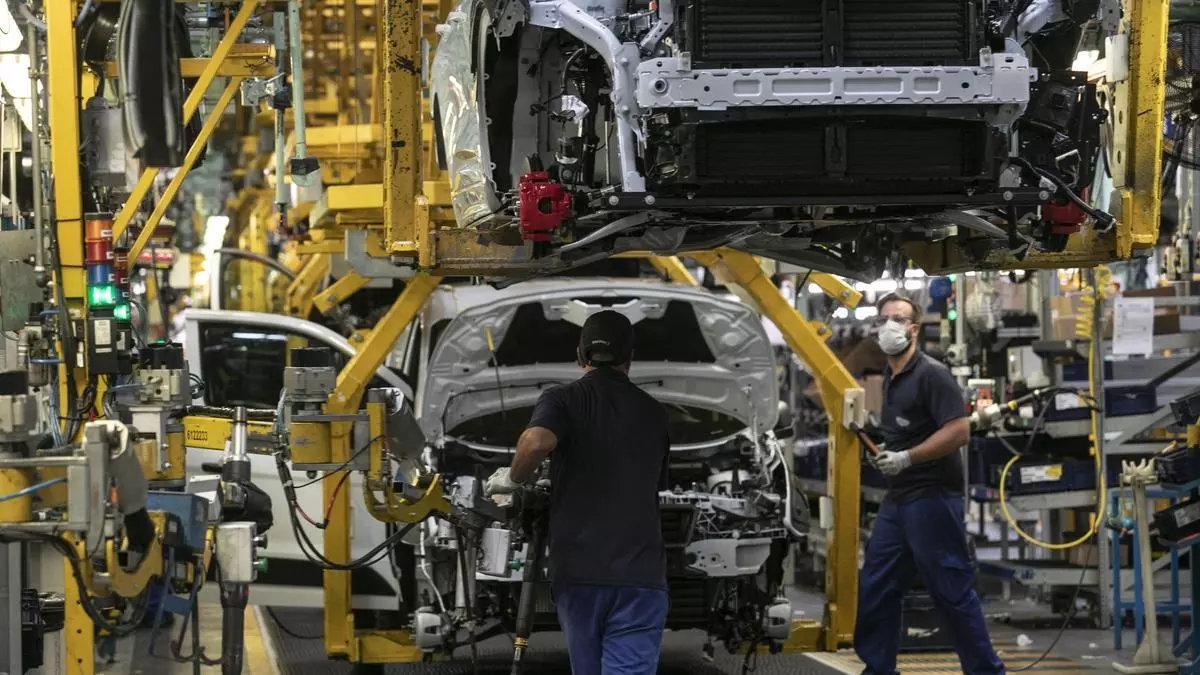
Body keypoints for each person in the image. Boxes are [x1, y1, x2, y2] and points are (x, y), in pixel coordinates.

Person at [486, 310, 671, 675]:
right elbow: (654, 485)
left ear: (580, 355)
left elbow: (536, 441)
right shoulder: (655, 412)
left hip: (579, 573)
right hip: (640, 576)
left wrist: (514, 479)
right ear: (630, 358)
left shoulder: (563, 399)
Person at [856, 293, 1005, 675]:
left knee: (951, 591)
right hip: (900, 498)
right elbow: (912, 430)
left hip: (933, 497)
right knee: (877, 584)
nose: (891, 324)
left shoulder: (931, 374)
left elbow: (957, 433)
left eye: (899, 318)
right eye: (885, 317)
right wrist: (890, 450)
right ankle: (879, 670)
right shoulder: (892, 376)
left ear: (914, 329)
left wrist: (906, 457)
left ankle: (986, 672)